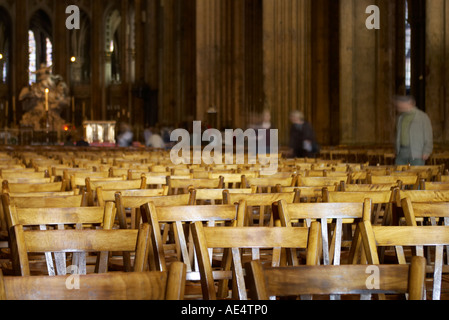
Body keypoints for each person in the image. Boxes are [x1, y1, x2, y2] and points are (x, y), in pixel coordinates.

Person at [394, 95, 433, 166]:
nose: (399, 107)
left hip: (417, 152)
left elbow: (428, 136)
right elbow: (398, 135)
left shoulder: (422, 117)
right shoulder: (400, 118)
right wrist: (397, 150)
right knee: (398, 174)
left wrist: (427, 151)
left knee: (417, 175)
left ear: (410, 103)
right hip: (402, 151)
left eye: (402, 104)